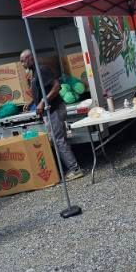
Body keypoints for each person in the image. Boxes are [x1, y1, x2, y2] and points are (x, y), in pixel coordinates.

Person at [19, 50, 84, 181]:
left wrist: (43, 102)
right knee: (59, 140)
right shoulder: (34, 73)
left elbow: (56, 86)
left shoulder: (41, 70)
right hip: (50, 110)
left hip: (53, 110)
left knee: (58, 140)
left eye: (22, 61)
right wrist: (32, 102)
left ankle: (75, 169)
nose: (21, 64)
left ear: (29, 59)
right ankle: (72, 167)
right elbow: (43, 90)